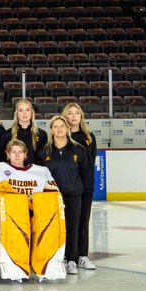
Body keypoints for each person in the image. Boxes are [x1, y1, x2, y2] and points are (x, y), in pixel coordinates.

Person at [0, 139, 63, 282]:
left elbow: (53, 192)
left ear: (25, 155)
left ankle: (44, 265)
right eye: (13, 152)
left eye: (20, 152)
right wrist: (21, 198)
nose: (16, 155)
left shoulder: (41, 171)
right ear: (7, 154)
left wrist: (32, 200)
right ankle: (16, 267)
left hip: (35, 211)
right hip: (11, 213)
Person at [38, 115, 94, 275]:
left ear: (67, 128)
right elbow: (40, 176)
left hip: (73, 195)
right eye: (55, 126)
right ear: (51, 130)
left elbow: (85, 173)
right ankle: (56, 258)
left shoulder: (78, 150)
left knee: (73, 227)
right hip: (52, 198)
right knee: (54, 229)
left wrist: (82, 192)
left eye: (62, 126)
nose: (59, 129)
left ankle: (71, 259)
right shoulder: (44, 151)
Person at [62, 101, 98, 272]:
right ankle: (69, 256)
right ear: (65, 116)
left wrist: (86, 184)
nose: (74, 116)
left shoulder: (89, 137)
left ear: (81, 116)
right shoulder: (61, 136)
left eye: (77, 113)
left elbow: (89, 163)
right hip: (68, 187)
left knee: (83, 221)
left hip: (85, 186)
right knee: (69, 222)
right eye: (70, 113)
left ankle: (82, 255)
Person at [0, 98, 46, 164]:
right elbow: (2, 159)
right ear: (17, 114)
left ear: (32, 113)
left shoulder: (41, 134)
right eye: (21, 110)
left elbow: (44, 159)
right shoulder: (7, 135)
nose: (24, 113)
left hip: (35, 173)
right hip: (15, 173)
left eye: (27, 110)